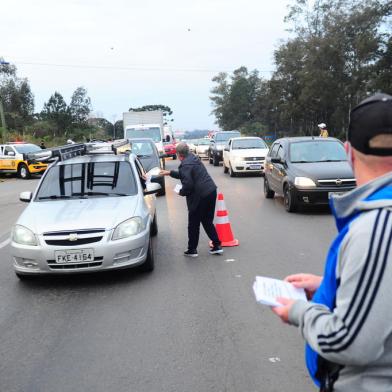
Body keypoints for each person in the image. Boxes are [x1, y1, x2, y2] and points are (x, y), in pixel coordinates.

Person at [272, 93, 392, 391]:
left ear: (349, 152)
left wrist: (298, 312)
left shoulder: (377, 226)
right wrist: (329, 283)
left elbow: (349, 343)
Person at [160, 142, 223, 257]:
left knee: (193, 223)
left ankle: (192, 249)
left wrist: (181, 192)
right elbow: (186, 174)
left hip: (199, 196)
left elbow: (188, 184)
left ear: (179, 154)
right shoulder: (193, 158)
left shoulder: (185, 164)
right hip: (211, 191)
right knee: (207, 220)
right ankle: (217, 245)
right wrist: (170, 173)